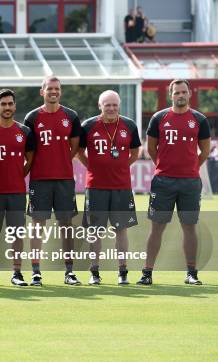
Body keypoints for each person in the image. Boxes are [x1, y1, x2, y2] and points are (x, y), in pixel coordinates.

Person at [138, 79, 211, 285]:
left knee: (189, 226)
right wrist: (163, 166)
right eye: (176, 92)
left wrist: (192, 167)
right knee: (157, 228)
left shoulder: (199, 119)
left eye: (183, 92)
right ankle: (147, 273)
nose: (180, 95)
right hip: (163, 182)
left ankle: (191, 273)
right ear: (171, 95)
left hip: (190, 182)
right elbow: (151, 148)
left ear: (190, 94)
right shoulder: (158, 118)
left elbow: (205, 150)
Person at [78, 90, 141, 285]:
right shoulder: (88, 126)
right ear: (100, 106)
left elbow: (135, 152)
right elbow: (79, 151)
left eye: (115, 105)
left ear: (119, 106)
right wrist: (94, 167)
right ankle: (94, 272)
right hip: (96, 187)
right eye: (107, 105)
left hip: (121, 187)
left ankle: (122, 272)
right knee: (95, 231)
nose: (112, 108)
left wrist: (121, 167)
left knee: (121, 230)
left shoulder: (129, 125)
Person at [24, 76, 82, 286]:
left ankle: (69, 271)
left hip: (64, 179)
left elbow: (74, 146)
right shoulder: (31, 118)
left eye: (57, 89)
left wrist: (62, 161)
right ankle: (36, 271)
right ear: (42, 91)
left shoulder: (71, 116)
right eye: (50, 89)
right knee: (38, 225)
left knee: (66, 225)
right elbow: (28, 150)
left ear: (61, 91)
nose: (53, 92)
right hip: (39, 179)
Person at [0, 89, 35, 287]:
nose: (7, 107)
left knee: (16, 234)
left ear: (15, 106)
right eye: (3, 104)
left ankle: (17, 272)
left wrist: (16, 175)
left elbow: (30, 160)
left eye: (10, 104)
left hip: (16, 192)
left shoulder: (25, 132)